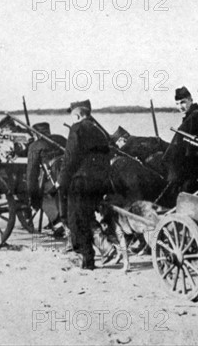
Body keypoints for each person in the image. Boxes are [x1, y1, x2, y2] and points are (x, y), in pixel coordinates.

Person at [53, 99, 112, 269]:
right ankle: (104, 250)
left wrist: (61, 182)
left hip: (81, 182)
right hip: (98, 182)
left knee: (76, 220)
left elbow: (70, 158)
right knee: (88, 216)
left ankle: (87, 259)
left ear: (77, 115)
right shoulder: (99, 131)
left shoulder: (77, 128)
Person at [162, 86, 198, 196]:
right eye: (177, 104)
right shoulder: (190, 117)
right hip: (193, 164)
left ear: (191, 100)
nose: (180, 107)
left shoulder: (196, 116)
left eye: (183, 102)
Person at [26, 122, 67, 238]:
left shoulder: (35, 146)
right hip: (68, 177)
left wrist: (32, 195)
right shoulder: (61, 139)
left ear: (35, 133)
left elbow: (31, 174)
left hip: (54, 182)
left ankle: (57, 223)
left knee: (41, 192)